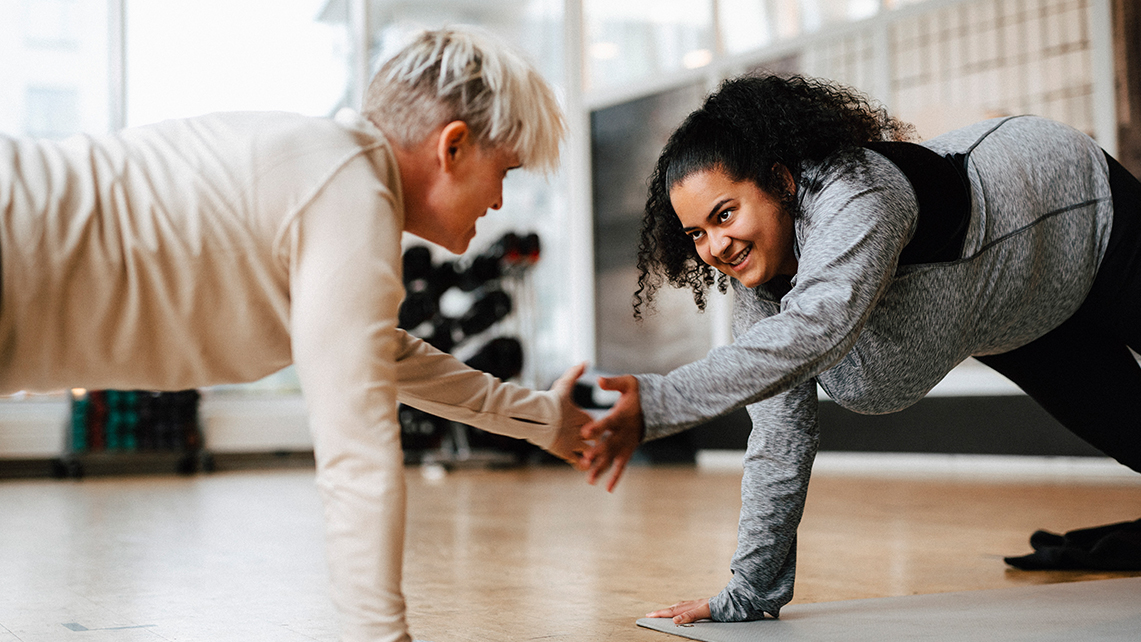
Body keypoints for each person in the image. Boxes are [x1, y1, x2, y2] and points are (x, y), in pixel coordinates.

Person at [0, 27, 590, 642]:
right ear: (454, 146)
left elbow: (389, 359)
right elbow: (356, 453)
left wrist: (543, 420)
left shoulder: (335, 172)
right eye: (506, 173)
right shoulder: (349, 191)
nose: (499, 201)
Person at [580, 73, 1141, 624]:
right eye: (697, 233)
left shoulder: (858, 196)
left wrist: (662, 400)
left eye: (724, 214)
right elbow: (779, 435)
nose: (716, 246)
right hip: (1019, 311)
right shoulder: (762, 287)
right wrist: (748, 593)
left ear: (782, 181)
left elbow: (816, 326)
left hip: (1085, 214)